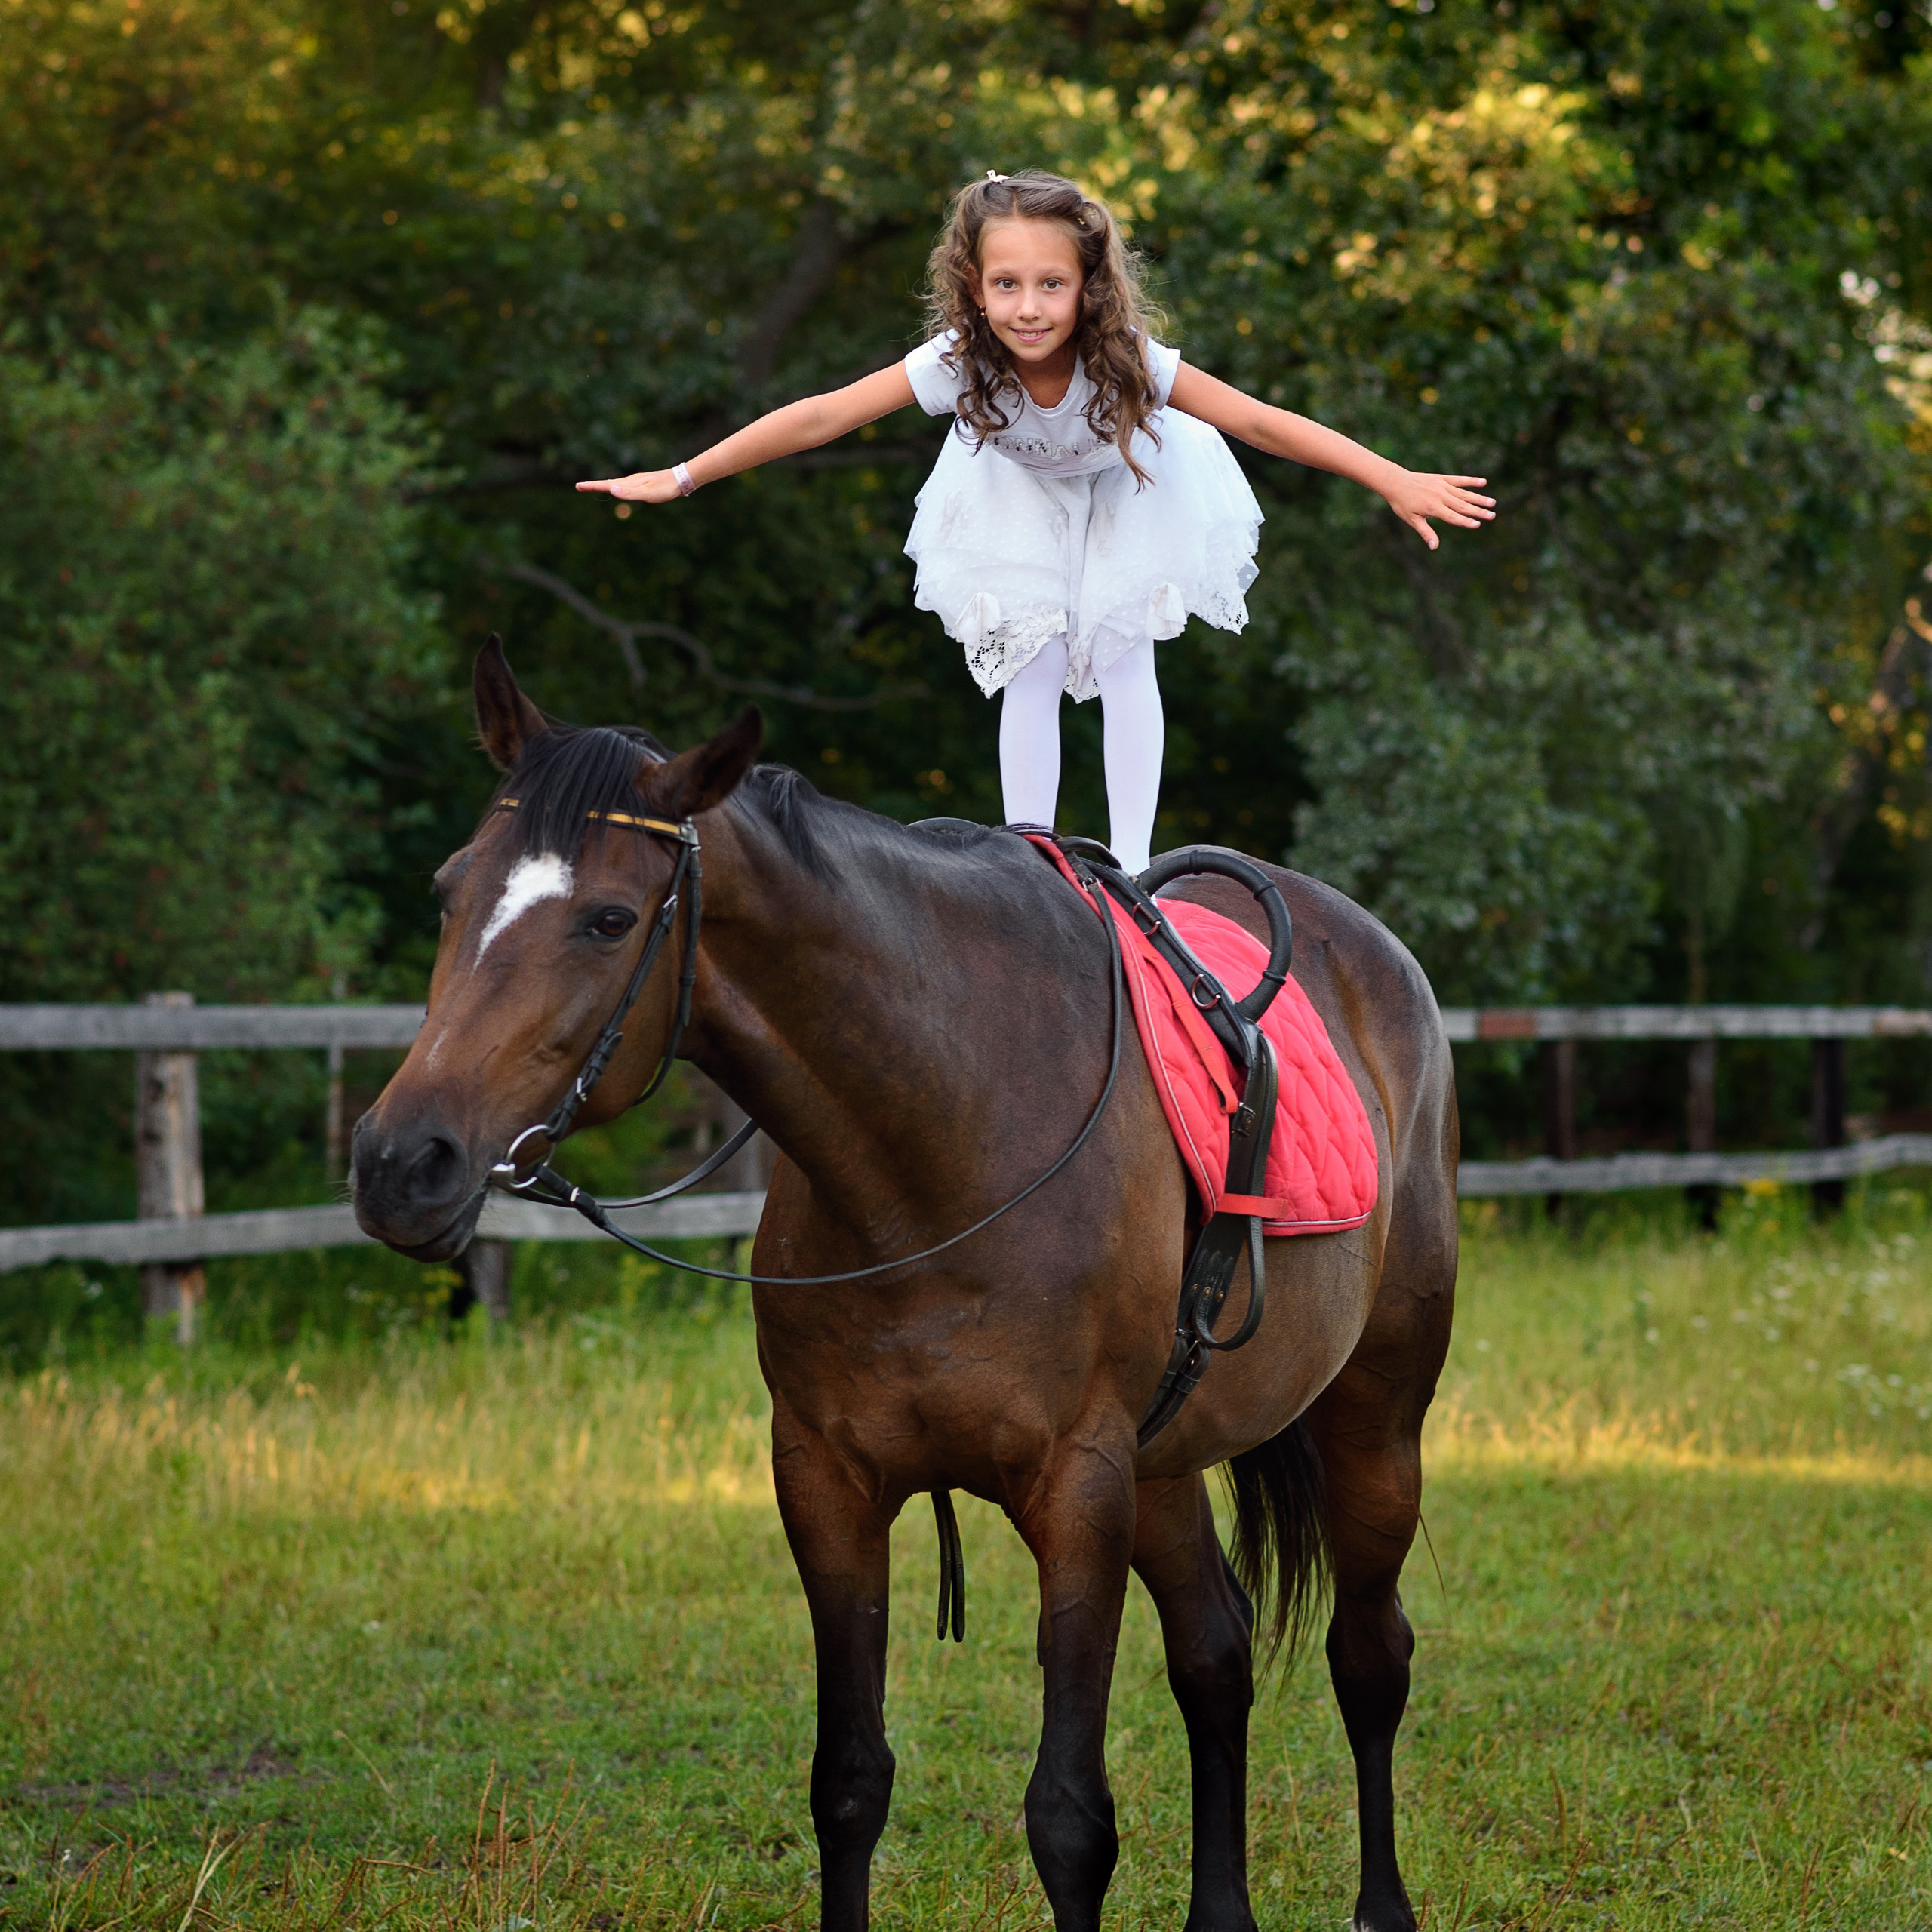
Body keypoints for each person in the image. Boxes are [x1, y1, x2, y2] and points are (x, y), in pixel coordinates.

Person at [578, 170, 1494, 874]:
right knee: (1035, 653)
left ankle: (1132, 863)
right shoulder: (957, 359)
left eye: (1051, 285)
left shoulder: (1126, 356)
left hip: (1134, 481)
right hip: (1016, 493)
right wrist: (686, 473)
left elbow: (1256, 419)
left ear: (1087, 286)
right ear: (974, 287)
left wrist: (1389, 476)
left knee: (1123, 642)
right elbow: (824, 413)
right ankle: (1031, 852)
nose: (1028, 307)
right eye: (1006, 284)